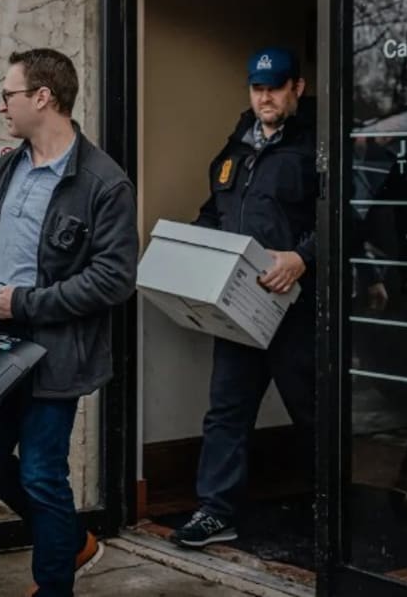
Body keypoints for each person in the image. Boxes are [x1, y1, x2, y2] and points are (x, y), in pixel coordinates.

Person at [0, 48, 139, 597]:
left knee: (41, 473)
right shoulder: (9, 165)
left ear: (43, 97)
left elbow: (114, 279)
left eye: (7, 95)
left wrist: (26, 304)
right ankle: (70, 539)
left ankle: (54, 583)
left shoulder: (105, 183)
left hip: (56, 354)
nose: (1, 107)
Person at [170, 47, 318, 549]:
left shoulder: (317, 145)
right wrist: (191, 248)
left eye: (275, 88)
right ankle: (216, 512)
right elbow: (214, 213)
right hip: (240, 309)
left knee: (314, 411)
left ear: (297, 88)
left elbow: (345, 214)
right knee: (226, 411)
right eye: (258, 88)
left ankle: (333, 511)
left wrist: (302, 257)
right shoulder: (236, 149)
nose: (265, 97)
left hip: (297, 308)